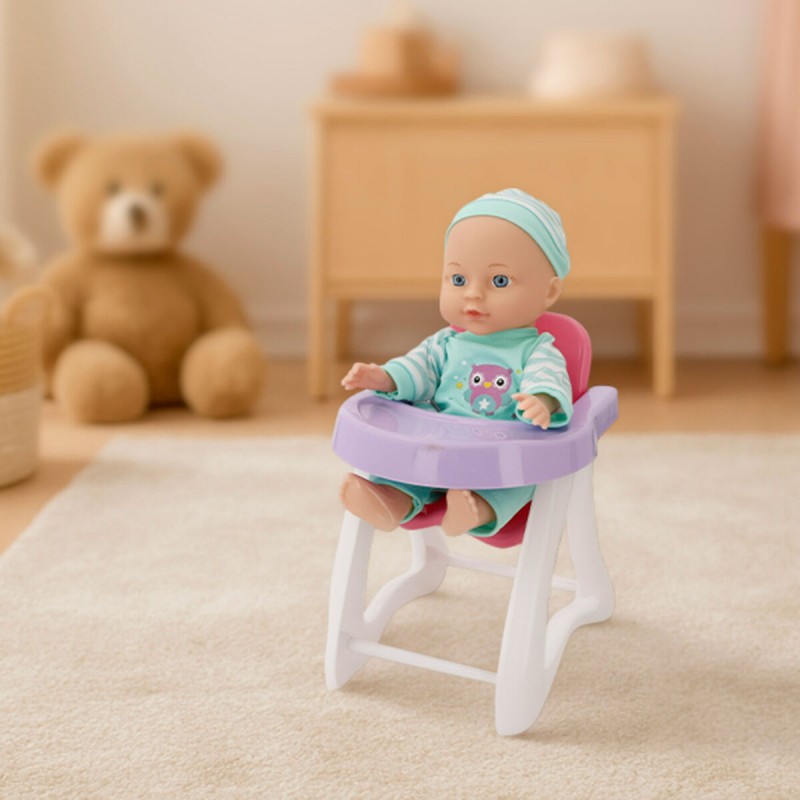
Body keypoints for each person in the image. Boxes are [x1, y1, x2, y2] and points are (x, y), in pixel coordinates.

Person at [339, 188, 573, 537]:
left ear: (549, 291)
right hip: (438, 446)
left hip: (497, 457)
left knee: (521, 478)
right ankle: (389, 500)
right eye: (459, 279)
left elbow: (548, 378)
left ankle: (474, 510)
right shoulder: (445, 343)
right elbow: (417, 368)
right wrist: (384, 377)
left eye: (499, 281)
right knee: (405, 465)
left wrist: (542, 401)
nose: (473, 293)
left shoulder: (537, 350)